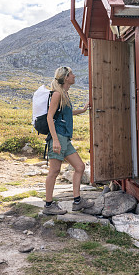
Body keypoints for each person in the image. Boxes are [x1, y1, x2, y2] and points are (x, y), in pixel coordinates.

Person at [42, 66, 93, 215]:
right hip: (58, 138)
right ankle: (48, 205)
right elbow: (49, 117)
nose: (74, 76)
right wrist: (56, 141)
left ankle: (77, 202)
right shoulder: (57, 94)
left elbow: (68, 113)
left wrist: (82, 110)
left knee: (80, 167)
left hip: (65, 138)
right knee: (54, 171)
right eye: (72, 74)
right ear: (66, 78)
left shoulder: (64, 94)